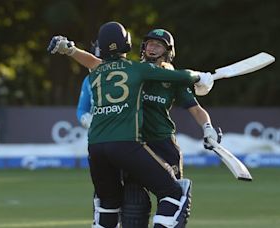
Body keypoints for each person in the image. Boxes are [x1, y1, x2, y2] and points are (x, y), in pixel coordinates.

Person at [48, 21, 219, 228]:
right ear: (136, 46)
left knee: (112, 203)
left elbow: (196, 108)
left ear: (168, 51)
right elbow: (184, 75)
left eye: (159, 45)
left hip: (153, 144)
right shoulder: (137, 69)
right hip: (131, 145)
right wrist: (199, 76)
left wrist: (207, 128)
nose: (153, 48)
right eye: (150, 44)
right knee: (150, 200)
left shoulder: (102, 70)